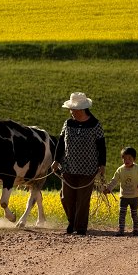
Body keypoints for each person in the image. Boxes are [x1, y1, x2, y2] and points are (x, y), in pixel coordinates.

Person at [50, 92, 106, 235]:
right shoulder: (68, 123)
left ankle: (80, 227)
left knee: (82, 199)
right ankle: (71, 222)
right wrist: (56, 160)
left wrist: (102, 165)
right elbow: (61, 143)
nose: (71, 112)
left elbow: (101, 146)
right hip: (68, 166)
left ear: (81, 110)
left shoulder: (95, 124)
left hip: (88, 168)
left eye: (73, 109)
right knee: (66, 197)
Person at [106, 147, 138, 236]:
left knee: (134, 214)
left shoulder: (137, 168)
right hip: (124, 197)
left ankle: (136, 230)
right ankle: (121, 230)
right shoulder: (120, 170)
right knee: (122, 214)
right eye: (124, 158)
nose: (127, 160)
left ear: (134, 159)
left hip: (134, 197)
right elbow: (114, 180)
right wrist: (108, 188)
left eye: (129, 158)